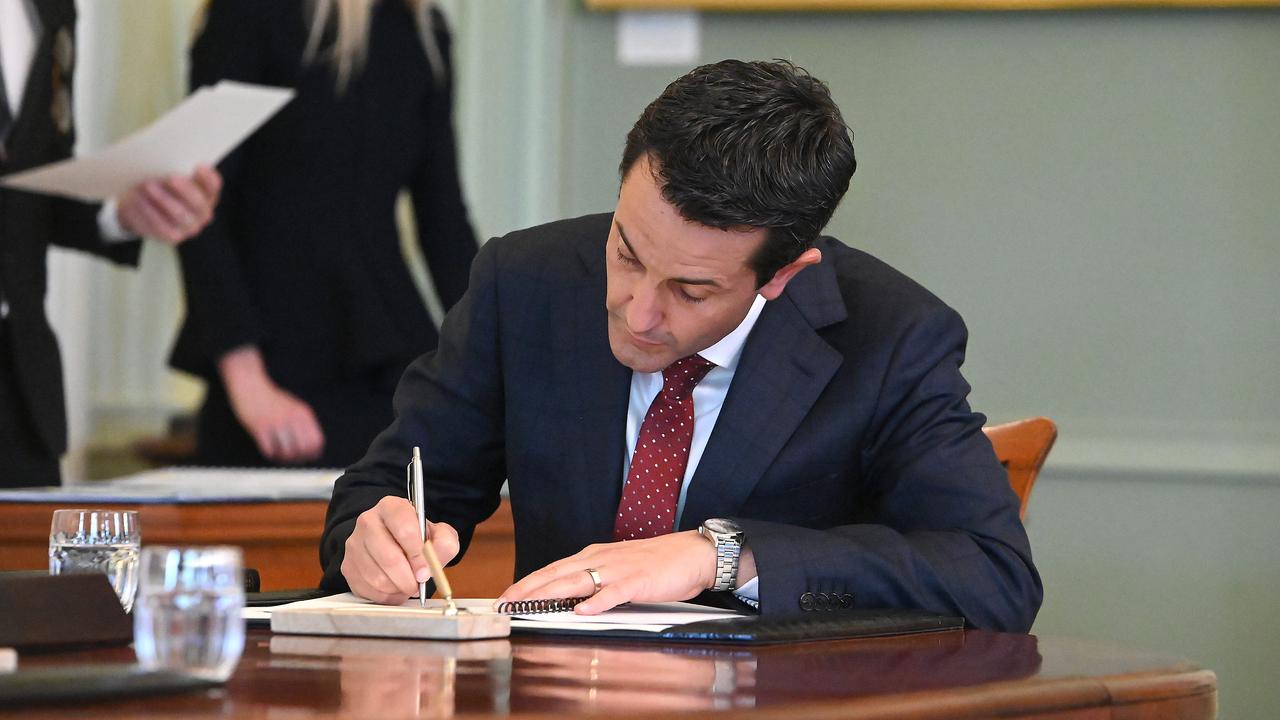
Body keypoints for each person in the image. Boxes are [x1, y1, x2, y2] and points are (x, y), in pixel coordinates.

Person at [320, 60, 1042, 631]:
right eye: (628, 254)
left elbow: (992, 573)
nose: (638, 313)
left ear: (782, 276)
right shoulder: (527, 283)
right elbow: (389, 487)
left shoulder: (888, 336)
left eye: (691, 292)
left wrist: (721, 557)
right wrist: (375, 539)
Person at [170, 0, 478, 468]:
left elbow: (444, 223)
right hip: (273, 369)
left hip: (390, 362)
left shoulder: (423, 31)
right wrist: (248, 382)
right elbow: (196, 209)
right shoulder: (250, 15)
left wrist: (497, 368)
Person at [0, 0, 222, 488]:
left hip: (18, 388)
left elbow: (33, 186)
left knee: (32, 561)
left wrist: (120, 211)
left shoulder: (53, 8)